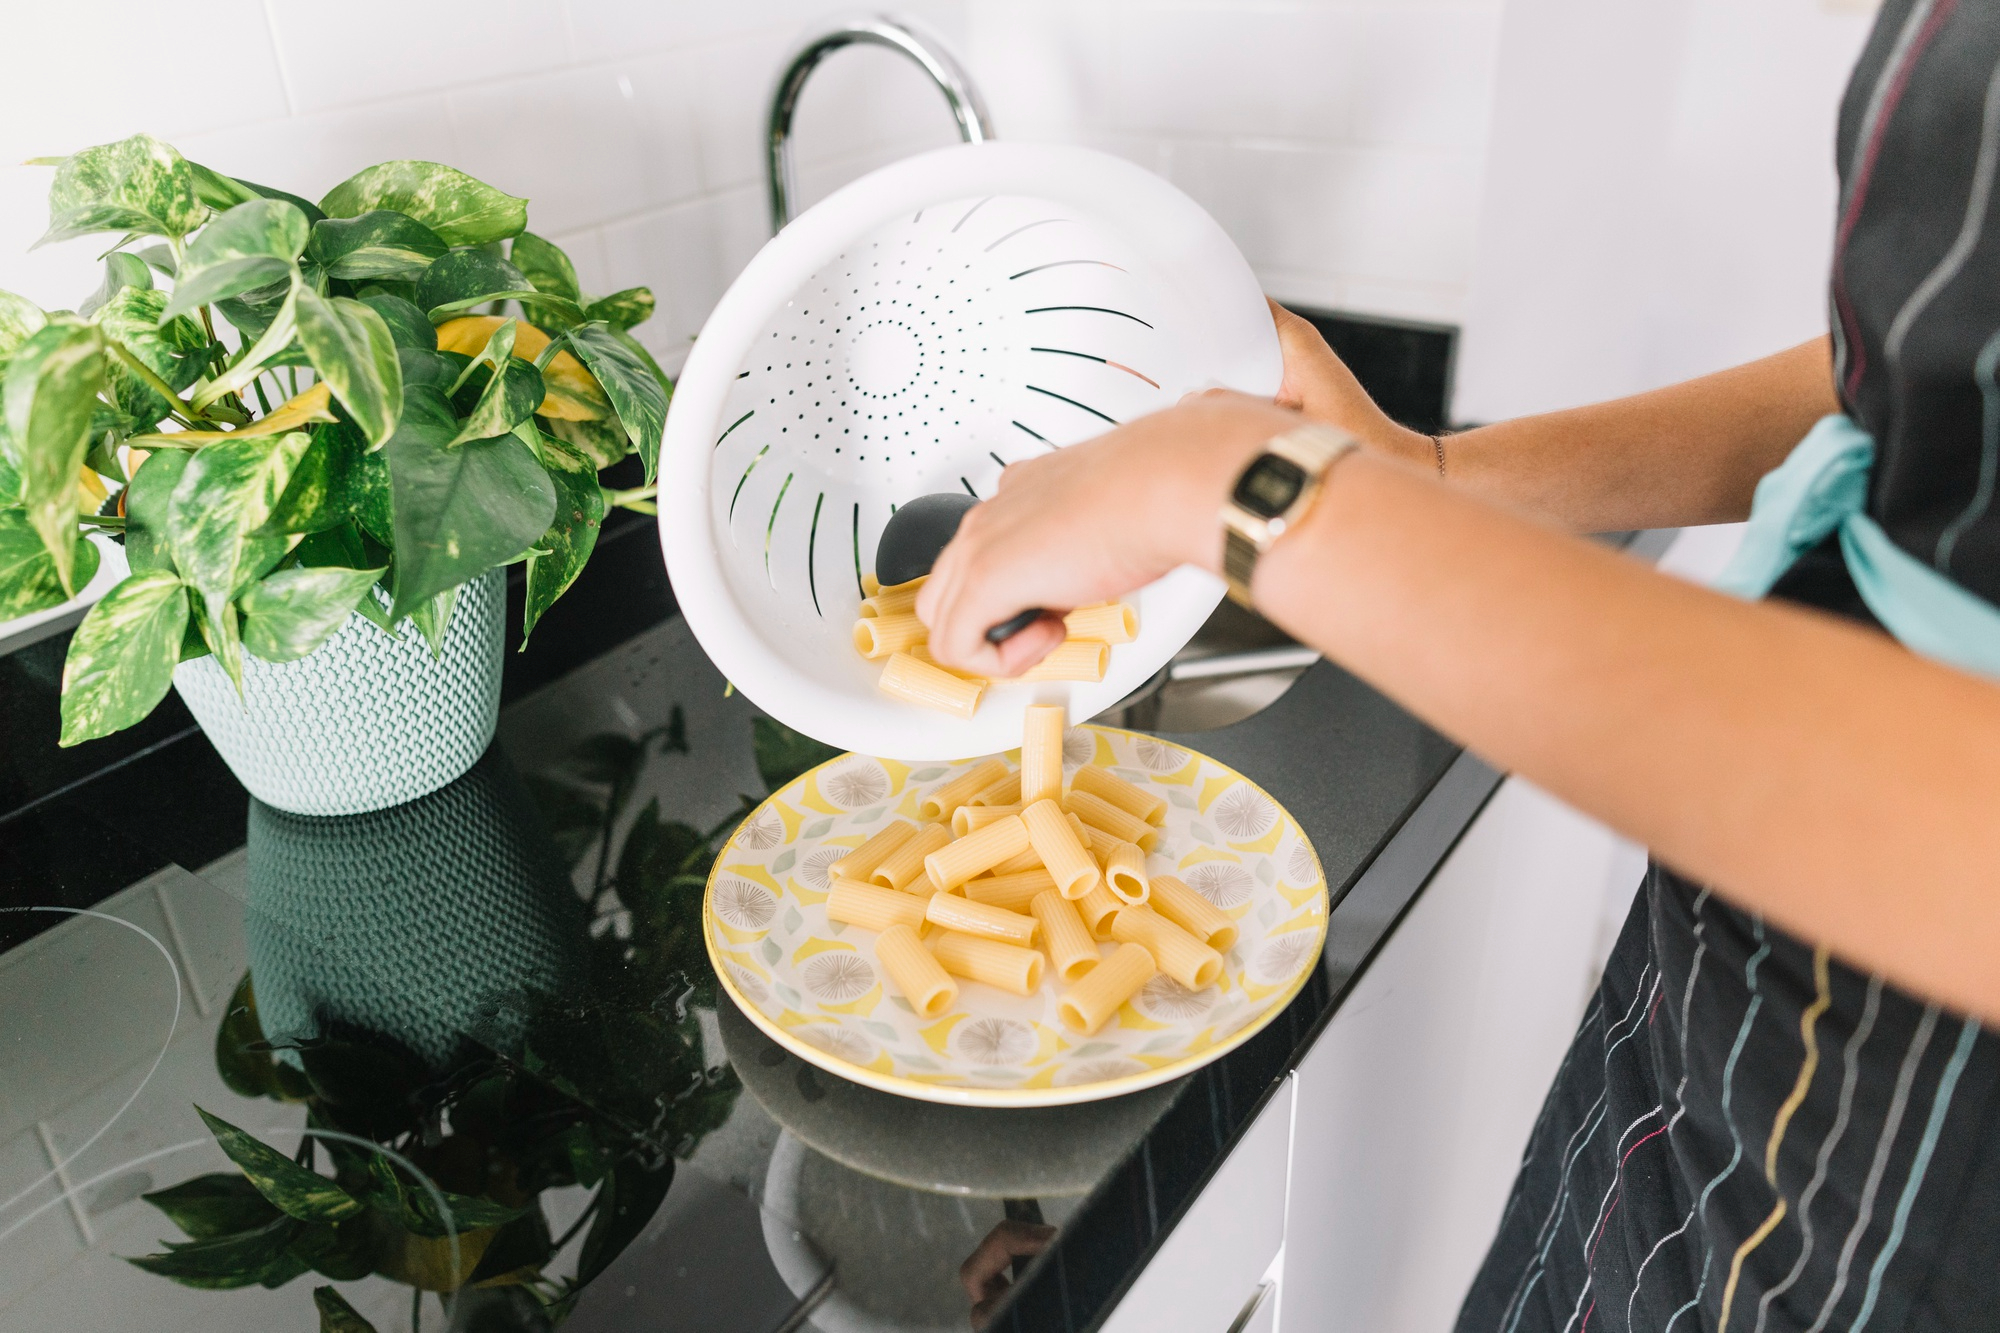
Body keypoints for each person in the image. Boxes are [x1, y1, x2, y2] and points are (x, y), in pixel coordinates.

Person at [916, 2, 2000, 1327]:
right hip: (1715, 1046)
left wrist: (1230, 488)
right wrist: (1428, 477)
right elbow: (1904, 378)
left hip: (1920, 1198)